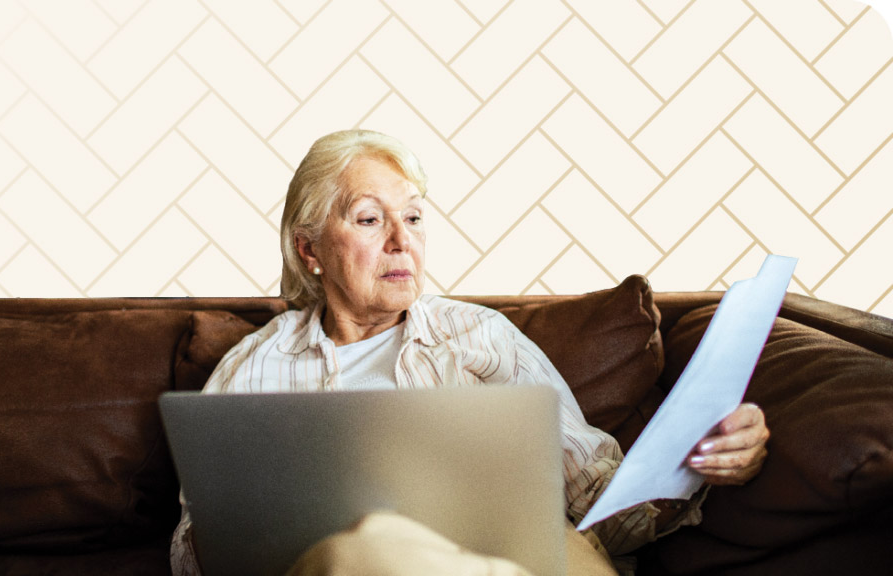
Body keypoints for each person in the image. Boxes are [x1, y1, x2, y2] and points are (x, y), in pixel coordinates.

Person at [170, 129, 770, 576]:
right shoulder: (253, 369)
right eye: (371, 219)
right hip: (355, 564)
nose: (403, 241)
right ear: (310, 251)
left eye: (413, 216)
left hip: (534, 555)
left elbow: (597, 503)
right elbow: (191, 552)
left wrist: (693, 461)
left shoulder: (479, 337)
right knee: (359, 552)